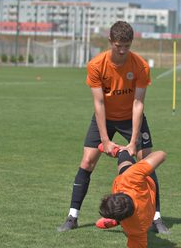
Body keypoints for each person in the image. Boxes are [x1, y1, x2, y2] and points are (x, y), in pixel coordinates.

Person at [57, 21, 169, 234]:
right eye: (119, 45)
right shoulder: (96, 65)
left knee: (146, 163)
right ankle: (72, 217)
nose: (123, 50)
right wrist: (105, 141)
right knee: (87, 161)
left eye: (127, 45)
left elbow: (138, 103)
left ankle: (156, 218)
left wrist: (134, 141)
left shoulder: (140, 66)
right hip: (105, 118)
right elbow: (98, 104)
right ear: (110, 41)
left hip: (131, 118)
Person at [96, 149, 167, 248]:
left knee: (125, 166)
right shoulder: (131, 178)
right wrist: (144, 164)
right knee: (126, 168)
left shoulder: (133, 229)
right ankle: (121, 151)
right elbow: (161, 154)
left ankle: (121, 151)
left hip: (145, 209)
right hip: (145, 192)